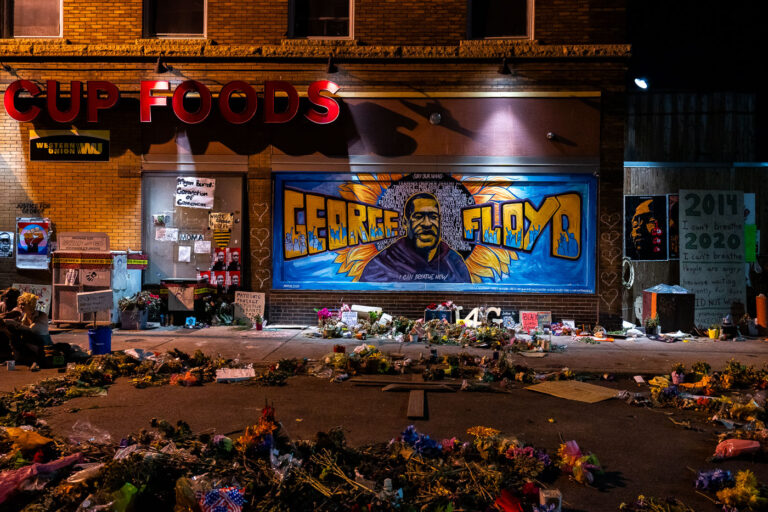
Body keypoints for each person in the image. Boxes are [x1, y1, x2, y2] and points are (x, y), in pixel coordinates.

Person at [360, 193, 470, 283]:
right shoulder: (381, 265)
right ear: (405, 223)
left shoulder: (454, 262)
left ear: (440, 222)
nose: (427, 224)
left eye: (433, 217)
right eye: (418, 217)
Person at [1, 292, 51, 366]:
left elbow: (31, 330)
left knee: (21, 334)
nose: (21, 306)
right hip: (31, 339)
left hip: (42, 341)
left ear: (30, 305)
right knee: (13, 334)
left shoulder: (41, 315)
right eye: (20, 304)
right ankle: (16, 358)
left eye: (23, 304)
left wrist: (14, 324)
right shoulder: (24, 315)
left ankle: (32, 358)